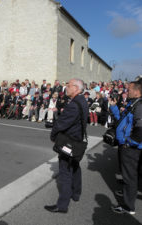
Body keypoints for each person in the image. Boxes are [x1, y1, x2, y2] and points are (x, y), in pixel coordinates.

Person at [45, 78, 88, 213]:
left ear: (76, 88)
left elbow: (61, 123)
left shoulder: (74, 104)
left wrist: (53, 136)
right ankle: (76, 193)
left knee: (65, 171)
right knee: (75, 166)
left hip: (69, 141)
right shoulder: (82, 101)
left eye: (68, 86)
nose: (66, 88)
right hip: (76, 141)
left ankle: (62, 205)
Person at [110, 80, 142, 215]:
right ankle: (126, 192)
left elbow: (140, 132)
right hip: (125, 146)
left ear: (136, 91)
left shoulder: (140, 106)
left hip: (131, 148)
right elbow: (121, 121)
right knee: (127, 175)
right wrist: (114, 107)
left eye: (129, 89)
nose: (126, 92)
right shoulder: (132, 103)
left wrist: (128, 142)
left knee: (130, 177)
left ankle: (129, 207)